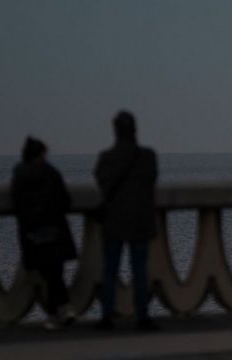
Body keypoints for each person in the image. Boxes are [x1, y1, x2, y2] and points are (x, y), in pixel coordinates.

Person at [94, 110, 159, 331]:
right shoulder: (147, 157)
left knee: (110, 270)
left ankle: (106, 317)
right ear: (135, 130)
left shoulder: (106, 159)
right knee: (139, 271)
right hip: (139, 221)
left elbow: (101, 183)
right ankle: (142, 316)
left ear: (115, 131)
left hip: (114, 221)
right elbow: (151, 181)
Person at [11, 137, 77, 330]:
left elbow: (18, 204)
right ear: (41, 154)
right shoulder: (51, 172)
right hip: (55, 231)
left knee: (49, 274)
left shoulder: (20, 174)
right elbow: (65, 201)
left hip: (33, 233)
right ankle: (62, 310)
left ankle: (57, 312)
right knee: (55, 273)